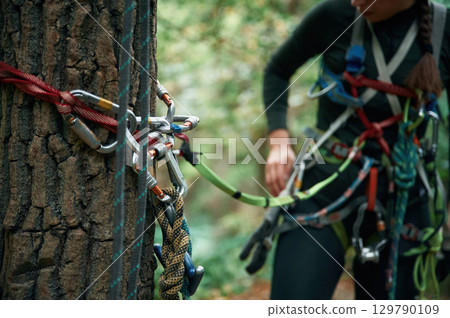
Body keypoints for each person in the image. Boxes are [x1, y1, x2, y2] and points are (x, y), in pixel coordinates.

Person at [263, 0, 450, 299]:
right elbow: (278, 70)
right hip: (325, 187)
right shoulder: (334, 15)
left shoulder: (443, 28)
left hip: (403, 197)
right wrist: (278, 141)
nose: (355, 1)